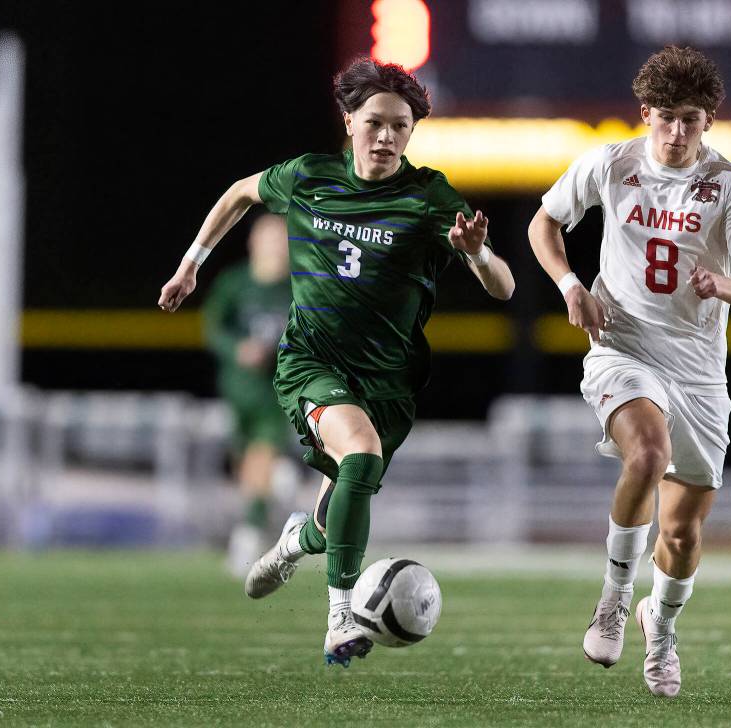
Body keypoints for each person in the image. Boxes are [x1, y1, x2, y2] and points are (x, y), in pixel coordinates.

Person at [159, 57, 515, 668]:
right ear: (348, 120)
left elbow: (504, 287)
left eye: (401, 127)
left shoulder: (428, 195)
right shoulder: (308, 177)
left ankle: (299, 539)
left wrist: (479, 257)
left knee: (339, 511)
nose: (387, 137)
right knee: (361, 453)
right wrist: (192, 261)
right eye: (375, 122)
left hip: (389, 382)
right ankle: (341, 616)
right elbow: (240, 193)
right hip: (311, 364)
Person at [527, 46, 731, 697]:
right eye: (665, 117)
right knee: (645, 455)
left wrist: (720, 284)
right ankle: (612, 597)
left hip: (697, 374)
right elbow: (543, 224)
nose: (675, 132)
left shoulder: (730, 187)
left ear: (708, 122)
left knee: (683, 532)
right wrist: (569, 286)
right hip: (623, 347)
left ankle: (659, 626)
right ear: (645, 114)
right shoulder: (612, 163)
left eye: (689, 120)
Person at [201, 213, 293, 578]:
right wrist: (238, 348)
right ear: (253, 243)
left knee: (261, 454)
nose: (274, 245)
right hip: (238, 391)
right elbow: (213, 328)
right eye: (268, 237)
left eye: (280, 239)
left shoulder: (298, 287)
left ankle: (248, 534)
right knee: (247, 465)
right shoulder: (235, 283)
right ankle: (270, 495)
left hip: (277, 391)